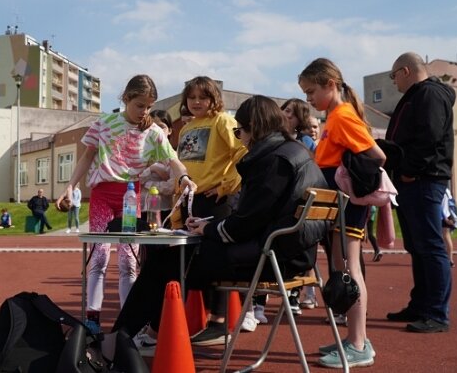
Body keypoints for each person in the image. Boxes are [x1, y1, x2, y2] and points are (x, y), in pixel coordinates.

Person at [104, 95, 328, 355]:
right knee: (175, 260)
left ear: (254, 127)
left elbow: (243, 225)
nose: (240, 137)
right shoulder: (295, 152)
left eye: (240, 131)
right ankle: (146, 336)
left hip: (273, 258)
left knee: (166, 262)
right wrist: (210, 225)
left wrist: (209, 229)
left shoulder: (273, 161)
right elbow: (257, 216)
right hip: (292, 254)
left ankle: (118, 342)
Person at [56, 74, 196, 335]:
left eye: (149, 106)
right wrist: (72, 185)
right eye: (140, 105)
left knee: (128, 262)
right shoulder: (104, 123)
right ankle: (92, 319)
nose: (145, 111)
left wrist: (185, 177)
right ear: (126, 99)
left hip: (130, 198)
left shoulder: (153, 132)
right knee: (98, 257)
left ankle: (127, 323)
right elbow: (87, 156)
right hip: (102, 196)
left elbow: (174, 160)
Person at [299, 57, 385, 368]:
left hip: (347, 205)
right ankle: (355, 337)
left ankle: (359, 344)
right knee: (343, 268)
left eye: (311, 91)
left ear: (330, 85)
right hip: (339, 205)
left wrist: (346, 176)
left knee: (349, 270)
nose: (309, 99)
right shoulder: (333, 117)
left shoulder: (342, 116)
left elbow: (377, 155)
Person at [385, 52, 454, 334]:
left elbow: (429, 136)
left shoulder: (428, 95)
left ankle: (436, 312)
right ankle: (421, 305)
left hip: (423, 180)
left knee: (430, 246)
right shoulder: (420, 95)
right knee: (417, 246)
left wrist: (410, 170)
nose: (393, 82)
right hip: (414, 180)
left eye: (393, 76)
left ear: (405, 71)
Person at [176, 76, 247, 226]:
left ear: (214, 99)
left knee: (212, 247)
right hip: (188, 198)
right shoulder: (185, 128)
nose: (196, 102)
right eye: (191, 97)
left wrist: (226, 185)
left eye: (202, 97)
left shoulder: (222, 120)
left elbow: (243, 151)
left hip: (214, 198)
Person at [281, 98, 317, 314]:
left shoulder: (305, 143)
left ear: (300, 119)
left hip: (300, 203)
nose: (286, 115)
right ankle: (259, 301)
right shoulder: (275, 138)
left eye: (291, 113)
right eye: (285, 110)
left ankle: (294, 294)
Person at [139, 110, 178, 227]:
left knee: (160, 244)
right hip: (141, 209)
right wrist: (152, 168)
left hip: (163, 209)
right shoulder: (141, 154)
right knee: (141, 244)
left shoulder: (173, 157)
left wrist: (147, 183)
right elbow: (135, 179)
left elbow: (171, 186)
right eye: (152, 127)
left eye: (162, 127)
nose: (157, 131)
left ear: (170, 130)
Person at [441, 189, 457, 268]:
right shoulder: (447, 190)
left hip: (443, 216)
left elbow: (443, 205)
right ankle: (449, 259)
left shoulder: (441, 190)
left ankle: (448, 259)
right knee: (446, 237)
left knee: (444, 237)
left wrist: (445, 218)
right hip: (448, 215)